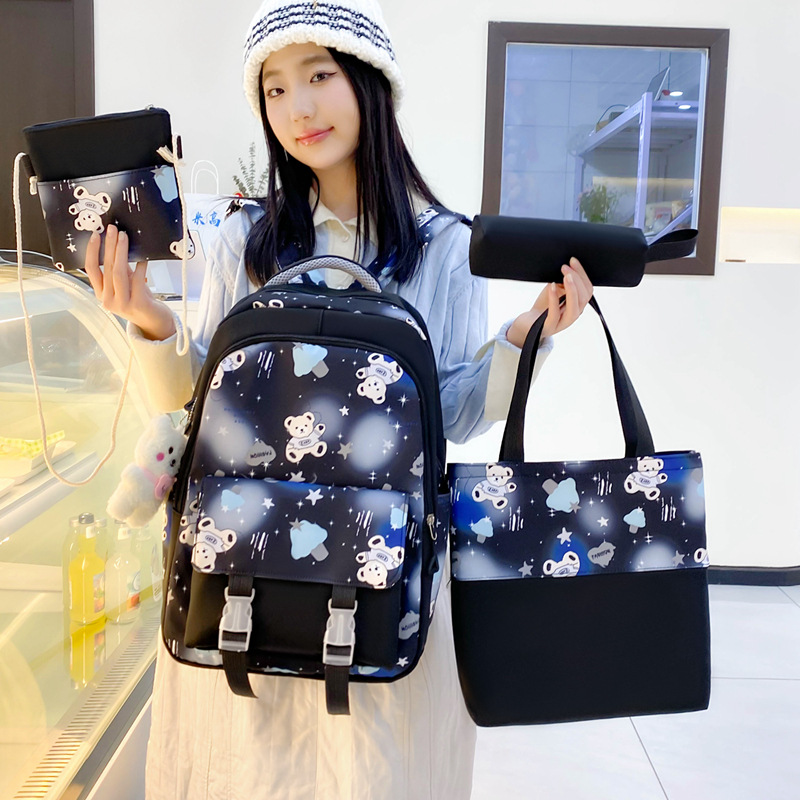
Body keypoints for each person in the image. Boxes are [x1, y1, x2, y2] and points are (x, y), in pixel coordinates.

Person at [84, 1, 594, 797]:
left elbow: (452, 413)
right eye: (276, 90)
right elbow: (202, 405)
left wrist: (524, 338)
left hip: (386, 571)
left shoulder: (444, 245)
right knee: (246, 772)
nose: (299, 108)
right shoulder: (244, 239)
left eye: (319, 75)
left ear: (370, 83)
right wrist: (148, 318)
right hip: (243, 571)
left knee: (373, 771)